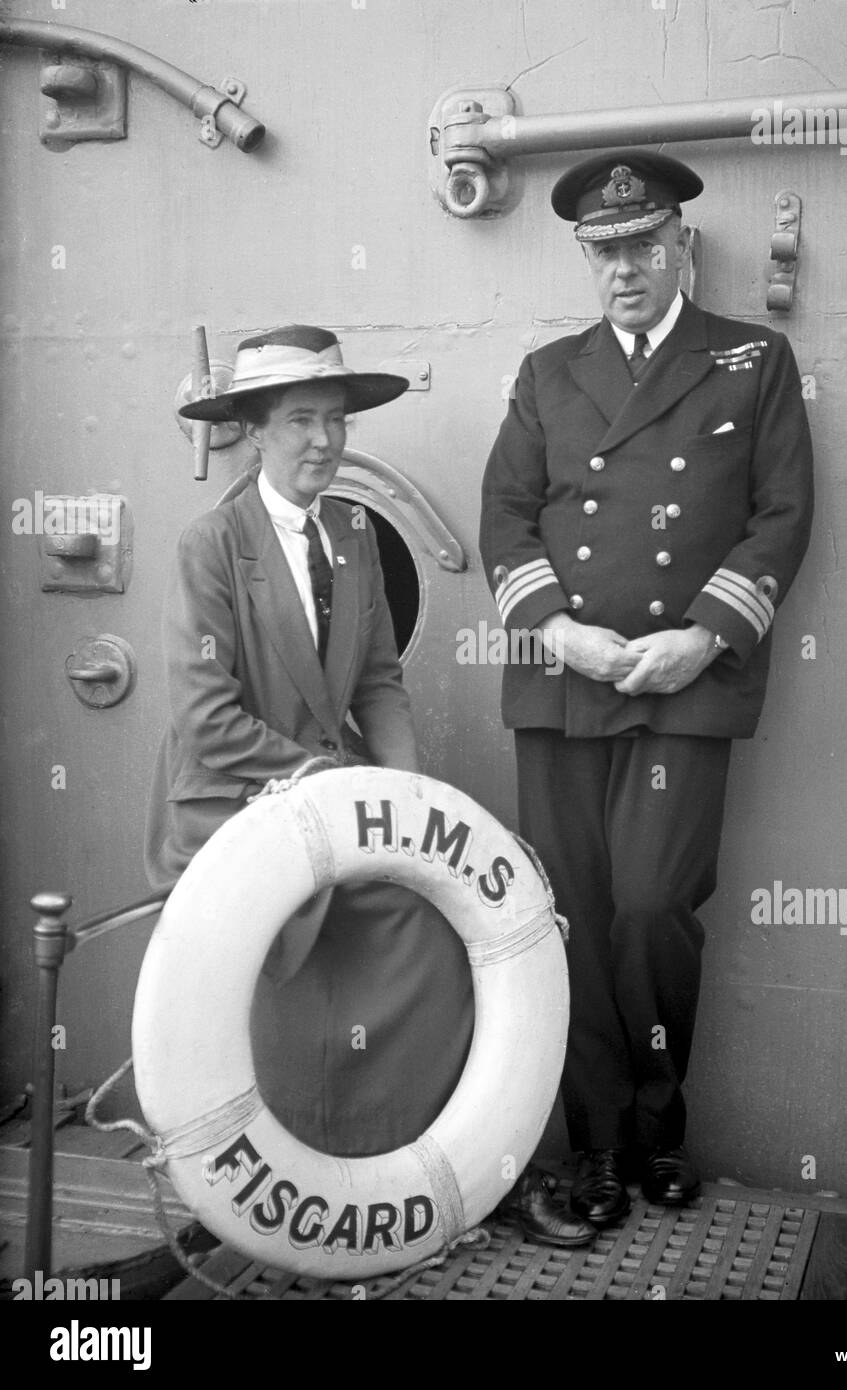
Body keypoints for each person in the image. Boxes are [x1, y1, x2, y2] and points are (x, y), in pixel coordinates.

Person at [145, 323, 593, 1247]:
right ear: (256, 431)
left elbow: (380, 680)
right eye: (301, 420)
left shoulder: (352, 533)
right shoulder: (211, 545)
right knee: (286, 965)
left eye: (336, 421)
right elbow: (203, 716)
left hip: (339, 804)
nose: (324, 441)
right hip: (233, 812)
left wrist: (405, 807)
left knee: (431, 930)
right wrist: (326, 785)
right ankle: (251, 1197)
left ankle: (437, 1170)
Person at [480, 151, 814, 1228]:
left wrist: (703, 639)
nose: (622, 269)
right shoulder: (546, 372)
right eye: (602, 252)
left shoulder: (753, 362)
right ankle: (595, 1148)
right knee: (570, 915)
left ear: (681, 246)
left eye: (640, 246)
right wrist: (559, 631)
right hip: (563, 684)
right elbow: (506, 519)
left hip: (681, 686)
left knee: (653, 910)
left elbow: (780, 518)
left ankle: (659, 1127)